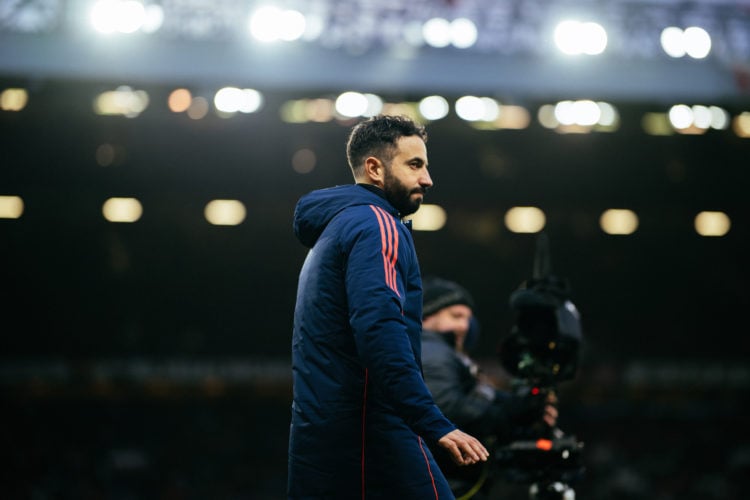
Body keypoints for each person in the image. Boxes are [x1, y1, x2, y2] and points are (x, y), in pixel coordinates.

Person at [287, 114, 489, 499]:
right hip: (371, 430)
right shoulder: (376, 224)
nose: (427, 179)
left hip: (320, 436)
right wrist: (434, 423)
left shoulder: (334, 229)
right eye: (415, 165)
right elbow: (380, 330)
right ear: (375, 168)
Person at [420, 276, 559, 499]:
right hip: (446, 483)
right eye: (455, 316)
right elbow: (445, 409)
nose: (464, 325)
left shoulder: (446, 354)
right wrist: (506, 415)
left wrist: (523, 407)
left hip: (453, 482)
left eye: (467, 318)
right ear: (426, 317)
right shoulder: (432, 351)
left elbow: (479, 398)